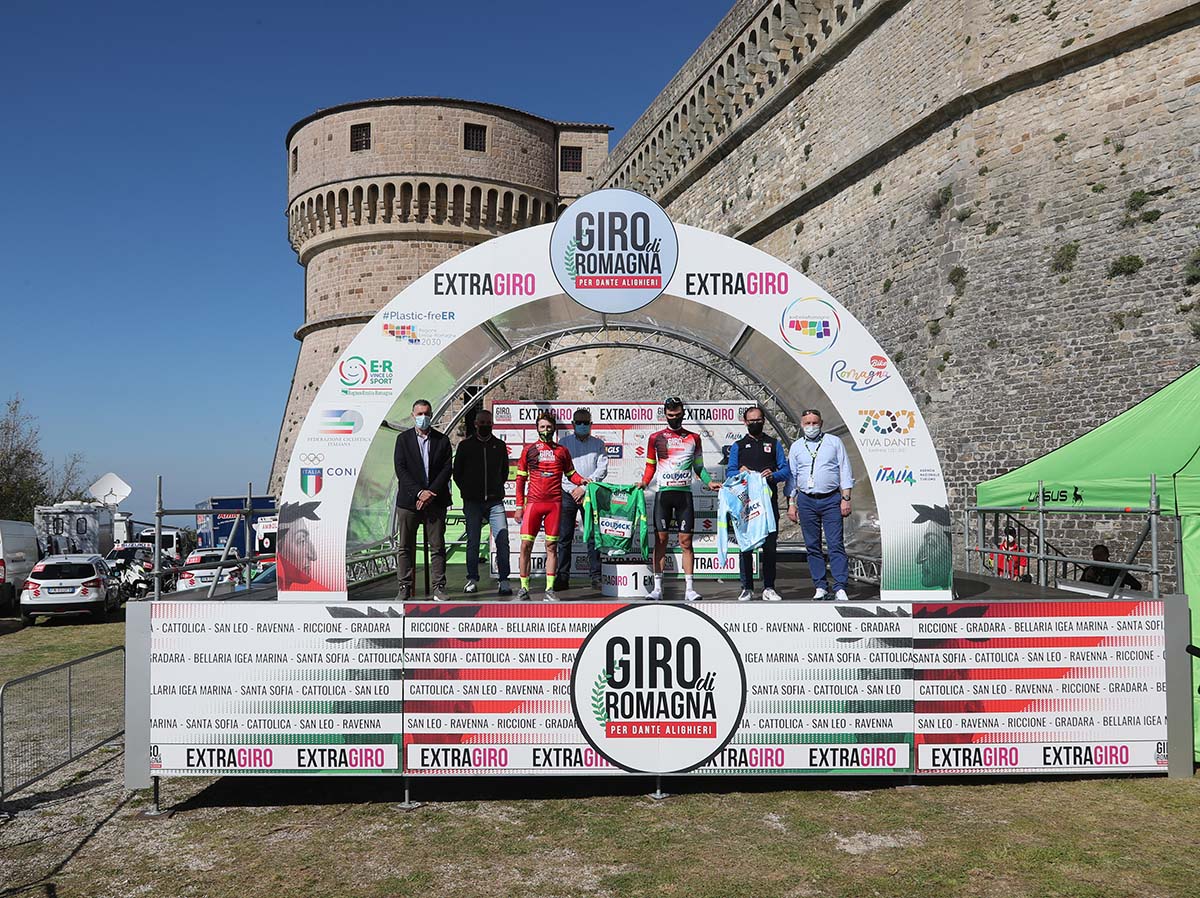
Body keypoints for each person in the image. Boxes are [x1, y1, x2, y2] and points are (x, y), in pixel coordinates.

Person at [638, 398, 721, 602]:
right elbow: (650, 466)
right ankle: (657, 588)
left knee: (686, 542)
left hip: (684, 495)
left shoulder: (694, 437)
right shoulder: (655, 438)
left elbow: (699, 467)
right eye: (671, 415)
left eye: (678, 415)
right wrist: (644, 482)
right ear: (665, 415)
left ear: (684, 413)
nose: (674, 418)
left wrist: (709, 482)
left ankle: (690, 589)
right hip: (663, 494)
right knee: (661, 541)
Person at [514, 411, 588, 602]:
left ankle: (549, 589)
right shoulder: (529, 450)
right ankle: (524, 588)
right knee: (525, 546)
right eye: (542, 427)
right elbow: (521, 479)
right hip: (534, 504)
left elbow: (571, 474)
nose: (545, 430)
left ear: (554, 428)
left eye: (548, 427)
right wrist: (519, 506)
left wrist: (582, 481)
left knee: (552, 546)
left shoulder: (562, 451)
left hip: (554, 504)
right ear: (537, 429)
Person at [786, 408, 854, 602]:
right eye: (807, 423)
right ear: (801, 425)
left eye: (814, 423)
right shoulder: (797, 447)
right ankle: (820, 586)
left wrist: (846, 498)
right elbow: (793, 477)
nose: (811, 427)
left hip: (831, 499)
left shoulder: (834, 442)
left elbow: (845, 470)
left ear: (821, 424)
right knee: (812, 546)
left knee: (835, 544)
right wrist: (792, 503)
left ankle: (840, 586)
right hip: (806, 500)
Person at [726, 405, 790, 602]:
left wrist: (773, 475)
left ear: (764, 421)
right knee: (745, 545)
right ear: (745, 423)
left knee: (770, 546)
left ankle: (769, 587)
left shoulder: (774, 443)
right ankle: (746, 587)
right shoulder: (738, 445)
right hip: (746, 505)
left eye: (758, 420)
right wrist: (740, 473)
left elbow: (785, 471)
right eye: (751, 420)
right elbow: (730, 473)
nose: (755, 423)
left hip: (768, 504)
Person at [393, 399, 452, 601]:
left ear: (431, 414)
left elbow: (446, 469)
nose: (423, 417)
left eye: (426, 413)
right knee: (405, 546)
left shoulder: (442, 441)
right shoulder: (403, 440)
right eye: (419, 414)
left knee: (437, 546)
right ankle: (404, 587)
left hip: (435, 501)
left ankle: (439, 587)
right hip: (409, 502)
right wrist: (419, 493)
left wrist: (430, 493)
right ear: (413, 415)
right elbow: (401, 469)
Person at [452, 408, 512, 597]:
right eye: (482, 423)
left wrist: (495, 489)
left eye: (488, 423)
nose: (485, 426)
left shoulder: (500, 445)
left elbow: (504, 472)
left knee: (502, 540)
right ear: (476, 424)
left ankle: (504, 580)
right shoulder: (465, 446)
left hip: (495, 502)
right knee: (473, 542)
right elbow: (457, 474)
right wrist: (468, 492)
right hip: (473, 502)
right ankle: (472, 579)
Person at [556, 408, 609, 591]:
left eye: (586, 422)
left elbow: (602, 470)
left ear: (591, 424)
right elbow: (561, 469)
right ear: (573, 424)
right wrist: (573, 490)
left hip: (591, 493)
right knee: (564, 537)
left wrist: (584, 488)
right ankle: (562, 577)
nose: (583, 425)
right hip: (567, 493)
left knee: (593, 536)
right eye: (579, 422)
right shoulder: (564, 443)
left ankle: (596, 576)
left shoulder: (598, 444)